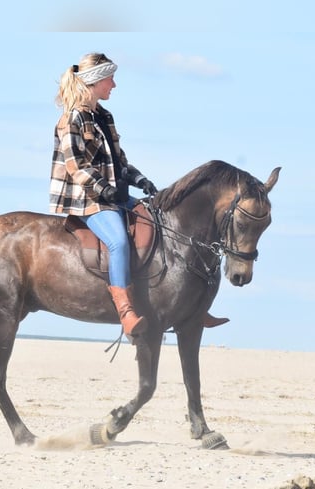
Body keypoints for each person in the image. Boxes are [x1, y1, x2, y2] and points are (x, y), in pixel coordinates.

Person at [49, 52, 228, 336]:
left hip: (112, 194)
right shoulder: (71, 119)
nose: (114, 85)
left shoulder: (103, 116)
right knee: (119, 241)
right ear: (95, 81)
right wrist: (103, 188)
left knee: (158, 223)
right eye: (110, 79)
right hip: (87, 199)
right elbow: (76, 166)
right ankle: (126, 311)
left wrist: (138, 178)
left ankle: (189, 303)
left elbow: (118, 160)